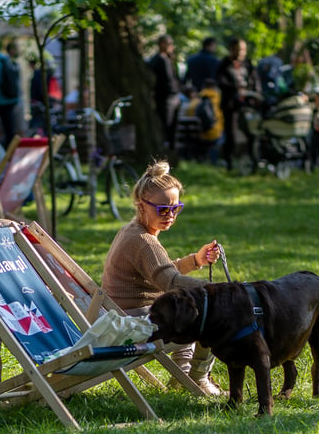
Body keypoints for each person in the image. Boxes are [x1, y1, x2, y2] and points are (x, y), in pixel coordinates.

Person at [101, 160, 224, 396]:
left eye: (176, 208)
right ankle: (196, 379)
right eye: (162, 209)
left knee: (189, 309)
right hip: (132, 324)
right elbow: (169, 281)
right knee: (210, 317)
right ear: (141, 206)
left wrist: (196, 260)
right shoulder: (144, 241)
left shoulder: (134, 231)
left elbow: (159, 271)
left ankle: (182, 375)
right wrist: (216, 289)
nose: (170, 215)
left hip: (121, 316)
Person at [217, 37, 260, 171]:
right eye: (240, 49)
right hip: (231, 104)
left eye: (244, 49)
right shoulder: (224, 64)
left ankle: (252, 161)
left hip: (248, 104)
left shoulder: (248, 64)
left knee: (252, 132)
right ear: (232, 49)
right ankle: (229, 161)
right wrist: (236, 90)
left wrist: (254, 95)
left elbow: (255, 81)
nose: (242, 52)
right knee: (231, 133)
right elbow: (221, 82)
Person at [147, 34, 181, 150]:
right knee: (167, 125)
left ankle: (170, 149)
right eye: (169, 44)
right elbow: (168, 80)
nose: (171, 47)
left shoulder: (167, 59)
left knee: (171, 126)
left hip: (171, 96)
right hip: (165, 97)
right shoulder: (159, 60)